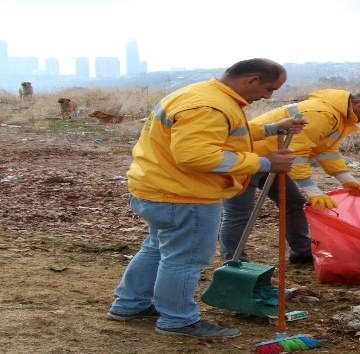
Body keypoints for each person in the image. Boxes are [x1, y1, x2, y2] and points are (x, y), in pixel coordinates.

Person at [107, 58, 306, 339]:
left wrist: (272, 128)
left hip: (155, 188)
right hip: (185, 195)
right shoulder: (210, 106)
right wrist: (264, 163)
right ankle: (178, 320)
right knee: (185, 259)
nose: (269, 96)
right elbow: (196, 156)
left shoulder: (200, 95)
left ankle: (130, 304)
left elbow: (226, 133)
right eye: (270, 88)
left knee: (157, 247)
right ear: (251, 80)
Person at [219, 88, 360, 264]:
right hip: (244, 159)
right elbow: (297, 154)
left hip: (272, 161)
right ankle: (234, 264)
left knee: (294, 204)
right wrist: (312, 190)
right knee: (238, 214)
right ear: (357, 102)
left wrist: (346, 179)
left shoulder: (339, 117)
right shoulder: (321, 113)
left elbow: (326, 150)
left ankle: (302, 252)